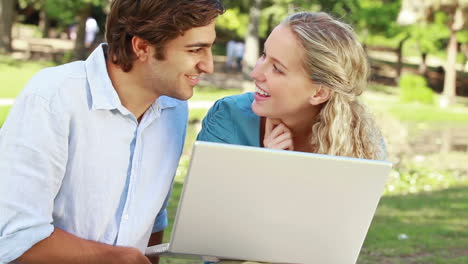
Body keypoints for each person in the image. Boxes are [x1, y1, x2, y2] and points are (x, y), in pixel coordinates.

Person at [0, 0, 224, 263]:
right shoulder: (52, 98)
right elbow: (14, 240)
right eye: (196, 50)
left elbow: (153, 220)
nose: (208, 66)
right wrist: (112, 257)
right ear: (142, 47)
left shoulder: (173, 108)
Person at [200, 11, 386, 264]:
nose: (256, 72)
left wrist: (286, 179)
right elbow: (211, 246)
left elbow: (330, 254)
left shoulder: (359, 143)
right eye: (264, 55)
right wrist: (267, 171)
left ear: (319, 92)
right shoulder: (229, 119)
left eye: (277, 68)